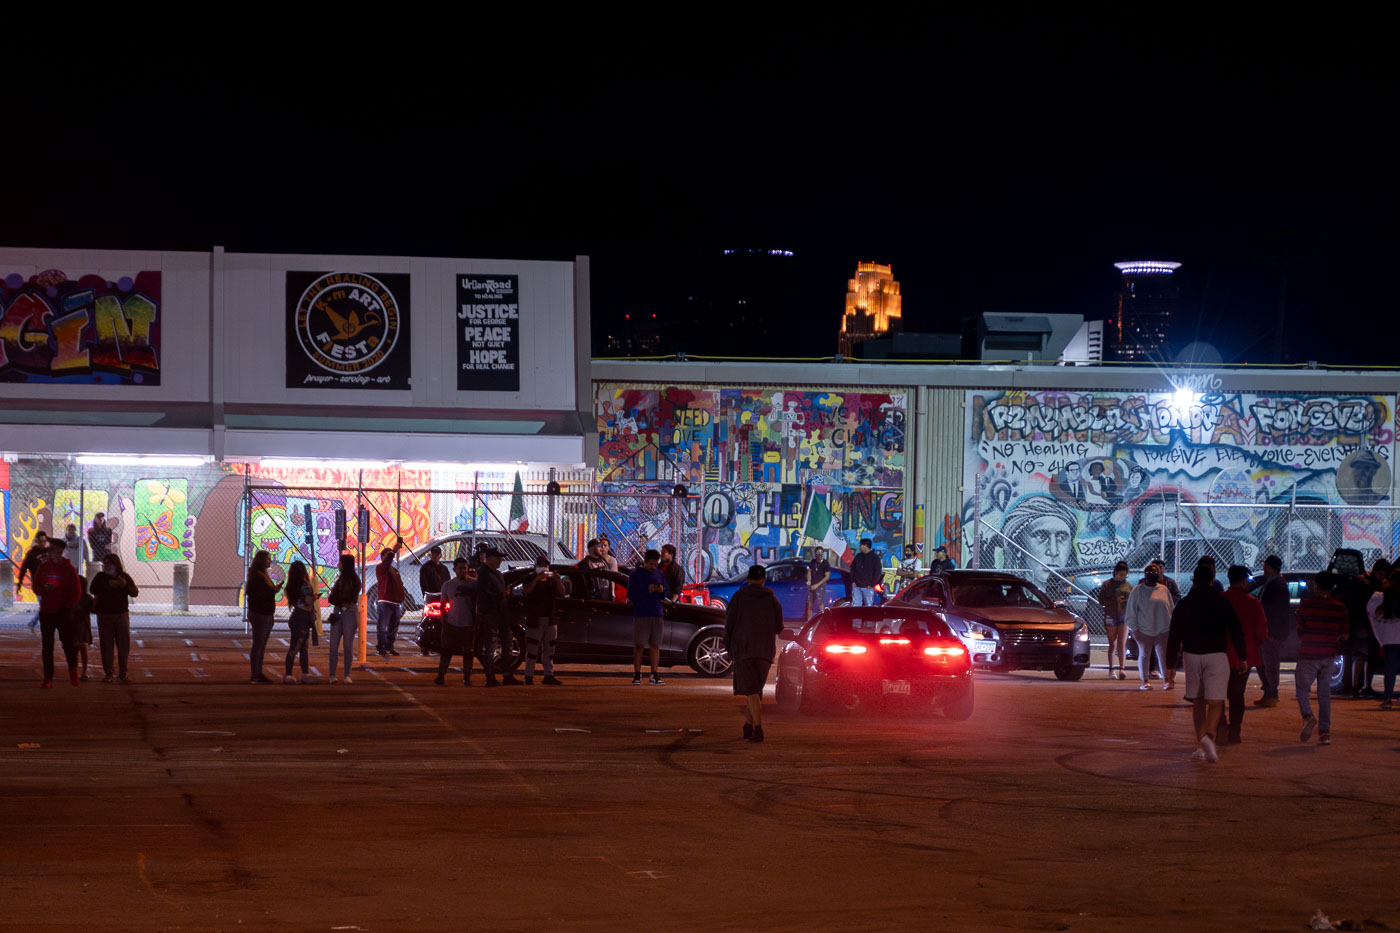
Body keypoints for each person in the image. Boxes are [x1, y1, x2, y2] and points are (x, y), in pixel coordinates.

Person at [1165, 564, 1247, 763]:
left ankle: (1200, 744)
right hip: (1217, 655)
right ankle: (1210, 736)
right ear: (1212, 580)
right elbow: (1236, 630)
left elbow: (1174, 635)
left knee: (1198, 701)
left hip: (1192, 655)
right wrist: (1242, 656)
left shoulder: (1184, 604)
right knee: (1217, 700)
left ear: (1193, 580)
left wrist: (1170, 665)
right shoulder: (1223, 602)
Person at [724, 564, 784, 743]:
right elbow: (779, 627)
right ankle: (748, 724)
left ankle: (758, 728)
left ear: (748, 579)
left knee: (751, 690)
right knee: (755, 691)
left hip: (744, 649)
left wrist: (728, 647)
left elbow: (729, 624)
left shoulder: (739, 597)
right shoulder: (772, 600)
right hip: (765, 651)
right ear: (763, 580)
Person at [1294, 571, 1348, 746]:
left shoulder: (1306, 605)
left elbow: (1300, 631)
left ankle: (1308, 716)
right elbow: (1345, 635)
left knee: (1303, 688)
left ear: (1316, 586)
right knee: (1324, 694)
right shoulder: (1341, 608)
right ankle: (1325, 733)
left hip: (1309, 653)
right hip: (1328, 655)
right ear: (1332, 587)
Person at [1221, 565, 1268, 744]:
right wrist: (1254, 645)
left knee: (1218, 694)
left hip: (1221, 656)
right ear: (1243, 581)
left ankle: (1221, 726)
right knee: (1237, 695)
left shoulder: (1221, 600)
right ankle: (1235, 730)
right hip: (1244, 657)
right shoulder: (1252, 603)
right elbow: (1262, 630)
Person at [35, 539, 83, 688]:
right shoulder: (44, 567)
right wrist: (43, 589)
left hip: (63, 611)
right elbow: (36, 586)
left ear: (61, 552)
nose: (51, 553)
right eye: (50, 550)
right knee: (47, 646)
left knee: (68, 643)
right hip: (46, 611)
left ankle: (73, 671)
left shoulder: (69, 569)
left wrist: (67, 606)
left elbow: (77, 592)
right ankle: (48, 677)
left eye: (55, 550)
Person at [90, 554, 138, 683]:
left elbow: (135, 592)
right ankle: (108, 673)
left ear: (116, 565)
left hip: (121, 614)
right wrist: (108, 584)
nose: (106, 566)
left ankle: (123, 672)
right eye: (105, 563)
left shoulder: (123, 577)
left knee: (123, 644)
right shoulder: (100, 577)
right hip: (104, 615)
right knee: (106, 644)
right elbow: (92, 589)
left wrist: (124, 586)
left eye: (109, 563)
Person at [1125, 562, 1174, 690]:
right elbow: (1131, 612)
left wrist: (1170, 627)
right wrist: (1135, 630)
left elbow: (1171, 608)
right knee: (1144, 654)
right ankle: (1145, 681)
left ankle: (1167, 680)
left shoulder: (1163, 589)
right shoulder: (1138, 591)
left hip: (1162, 629)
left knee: (1163, 655)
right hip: (1143, 629)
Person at [521, 556, 566, 685]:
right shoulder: (530, 578)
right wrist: (536, 579)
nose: (544, 567)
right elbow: (526, 591)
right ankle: (529, 676)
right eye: (540, 564)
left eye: (546, 565)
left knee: (549, 649)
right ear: (535, 566)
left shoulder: (551, 581)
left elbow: (562, 593)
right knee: (532, 649)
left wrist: (558, 581)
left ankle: (548, 674)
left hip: (550, 619)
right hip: (535, 619)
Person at [627, 549, 667, 685]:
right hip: (641, 613)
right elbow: (631, 595)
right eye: (650, 564)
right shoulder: (635, 575)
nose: (653, 567)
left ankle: (654, 673)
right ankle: (637, 674)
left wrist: (661, 590)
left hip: (657, 613)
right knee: (639, 645)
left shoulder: (659, 574)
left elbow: (664, 593)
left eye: (655, 564)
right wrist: (646, 590)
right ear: (645, 562)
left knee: (655, 645)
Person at [436, 557, 478, 686]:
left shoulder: (474, 584)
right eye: (460, 568)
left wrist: (476, 623)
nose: (463, 571)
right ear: (454, 569)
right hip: (452, 622)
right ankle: (441, 675)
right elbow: (443, 605)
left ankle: (467, 676)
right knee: (447, 650)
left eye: (464, 568)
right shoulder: (448, 585)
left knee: (468, 651)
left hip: (468, 623)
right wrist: (444, 623)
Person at [477, 548, 515, 687]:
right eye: (497, 557)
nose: (500, 560)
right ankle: (490, 677)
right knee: (491, 646)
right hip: (490, 614)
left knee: (507, 644)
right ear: (489, 558)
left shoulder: (497, 573)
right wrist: (501, 595)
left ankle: (507, 675)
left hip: (502, 614)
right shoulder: (484, 574)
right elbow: (484, 595)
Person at [1254, 554, 1288, 707]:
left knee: (1271, 663)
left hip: (1271, 633)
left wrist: (1272, 632)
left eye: (1266, 566)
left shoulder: (1277, 585)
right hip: (1269, 632)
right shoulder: (1273, 583)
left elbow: (1278, 612)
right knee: (1266, 662)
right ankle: (1269, 692)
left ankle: (1271, 694)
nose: (1264, 568)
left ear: (1272, 568)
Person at [246, 550, 281, 684]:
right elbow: (260, 596)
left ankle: (258, 673)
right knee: (258, 644)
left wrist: (273, 590)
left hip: (264, 613)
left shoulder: (261, 575)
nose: (270, 561)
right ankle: (256, 673)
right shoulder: (259, 577)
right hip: (261, 613)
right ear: (261, 561)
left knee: (261, 644)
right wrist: (272, 591)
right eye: (267, 559)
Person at [1366, 570, 1400, 709]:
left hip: (1390, 638)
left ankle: (1387, 698)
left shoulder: (1381, 595)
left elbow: (1370, 609)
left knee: (1390, 669)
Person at [326, 555, 360, 684]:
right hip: (339, 612)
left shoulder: (353, 580)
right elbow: (332, 598)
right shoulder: (339, 578)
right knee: (333, 646)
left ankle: (347, 675)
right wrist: (343, 602)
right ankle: (332, 675)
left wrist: (342, 602)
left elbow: (351, 599)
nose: (338, 564)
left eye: (340, 562)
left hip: (349, 614)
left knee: (347, 646)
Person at [1098, 562, 1133, 680]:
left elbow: (1132, 600)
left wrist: (1127, 600)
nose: (1123, 577)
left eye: (1125, 575)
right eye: (1121, 574)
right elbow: (1101, 601)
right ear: (1116, 572)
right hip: (1111, 615)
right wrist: (1115, 599)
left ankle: (1122, 669)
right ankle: (1111, 669)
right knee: (1112, 643)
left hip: (1124, 615)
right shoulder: (1107, 584)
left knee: (1121, 643)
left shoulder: (1127, 585)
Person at [283, 561, 316, 684]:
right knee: (301, 647)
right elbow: (308, 601)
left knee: (295, 646)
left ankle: (289, 673)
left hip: (296, 616)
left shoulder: (291, 585)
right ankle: (302, 673)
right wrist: (314, 597)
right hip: (303, 617)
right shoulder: (305, 585)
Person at [374, 545, 405, 658]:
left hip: (395, 603)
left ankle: (389, 646)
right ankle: (381, 647)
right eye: (387, 557)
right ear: (382, 558)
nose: (390, 558)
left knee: (394, 627)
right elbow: (387, 563)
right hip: (385, 602)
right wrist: (393, 551)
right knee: (382, 626)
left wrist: (401, 598)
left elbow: (400, 585)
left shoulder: (394, 570)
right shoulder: (381, 568)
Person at [17, 532, 49, 631]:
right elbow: (23, 568)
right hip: (37, 582)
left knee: (46, 604)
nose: (43, 543)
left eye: (44, 541)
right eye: (41, 541)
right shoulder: (32, 553)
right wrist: (19, 583)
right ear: (37, 541)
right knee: (44, 604)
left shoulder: (49, 552)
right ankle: (34, 623)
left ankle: (34, 623)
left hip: (49, 581)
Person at [850, 539, 882, 607]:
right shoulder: (858, 556)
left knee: (869, 605)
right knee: (856, 605)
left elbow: (877, 572)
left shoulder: (875, 558)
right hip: (857, 586)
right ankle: (856, 617)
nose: (859, 547)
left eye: (861, 545)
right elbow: (852, 569)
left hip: (868, 587)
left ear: (866, 546)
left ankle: (869, 618)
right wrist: (853, 581)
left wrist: (872, 584)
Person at [806, 546, 832, 618]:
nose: (819, 554)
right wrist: (809, 580)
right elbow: (809, 572)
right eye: (818, 553)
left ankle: (823, 621)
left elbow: (827, 576)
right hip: (812, 586)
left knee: (820, 604)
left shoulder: (825, 563)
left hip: (820, 586)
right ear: (815, 554)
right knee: (810, 604)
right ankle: (809, 622)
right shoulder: (813, 562)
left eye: (821, 553)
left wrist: (817, 585)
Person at [86, 513, 113, 579]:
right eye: (98, 518)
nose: (100, 519)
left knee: (107, 572)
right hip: (97, 554)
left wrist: (101, 546)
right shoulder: (91, 531)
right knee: (97, 573)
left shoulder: (108, 530)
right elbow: (93, 545)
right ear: (95, 519)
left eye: (102, 518)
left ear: (104, 519)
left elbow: (108, 543)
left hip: (106, 554)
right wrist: (104, 546)